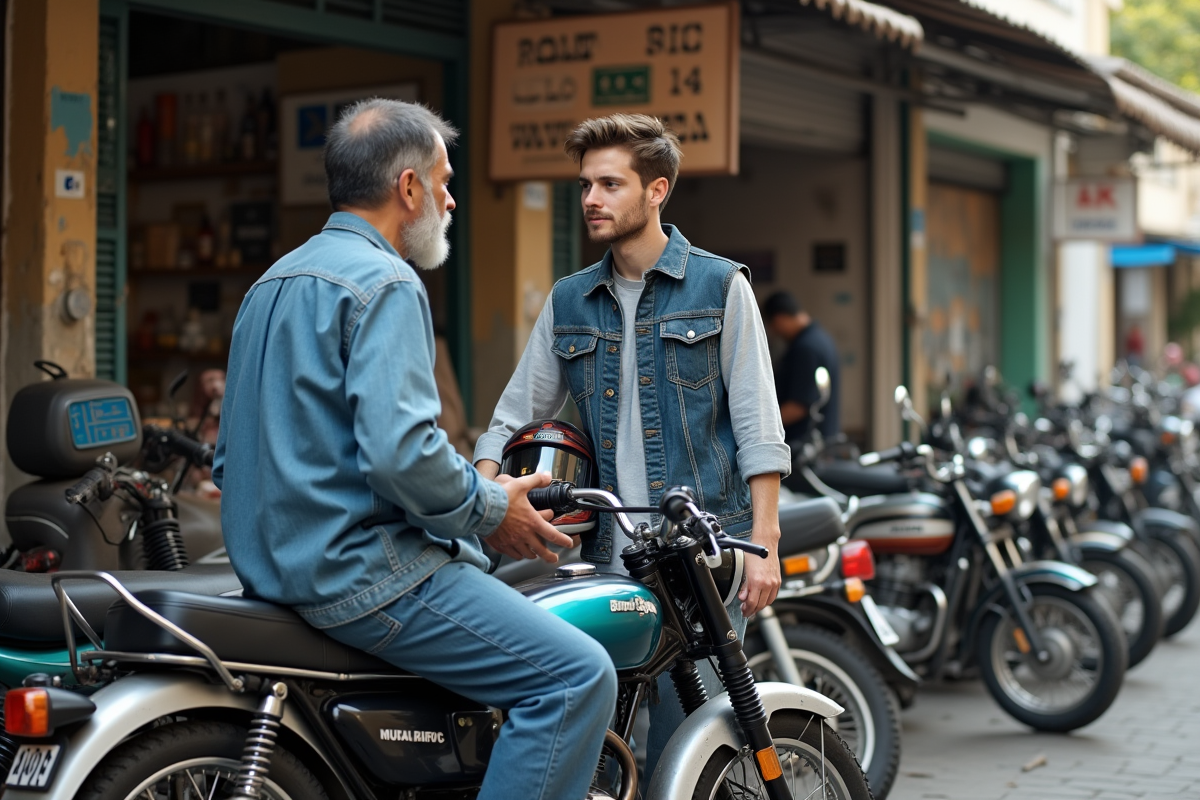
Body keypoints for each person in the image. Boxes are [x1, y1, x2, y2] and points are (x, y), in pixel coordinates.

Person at [213, 99, 616, 800]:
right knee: (578, 676)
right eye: (444, 180)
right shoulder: (387, 283)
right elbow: (402, 457)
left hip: (273, 575)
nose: (452, 199)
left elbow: (229, 458)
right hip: (365, 577)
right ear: (408, 188)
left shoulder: (271, 282)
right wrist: (493, 509)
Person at [473, 113, 789, 780]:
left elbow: (760, 426)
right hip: (608, 562)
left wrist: (766, 546)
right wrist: (487, 491)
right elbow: (511, 417)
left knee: (685, 749)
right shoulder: (570, 301)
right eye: (585, 185)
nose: (591, 199)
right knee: (601, 743)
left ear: (657, 190)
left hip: (703, 559)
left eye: (610, 184)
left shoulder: (719, 286)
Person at [761, 290, 841, 445]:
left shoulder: (806, 348)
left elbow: (798, 406)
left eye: (771, 325)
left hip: (805, 444)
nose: (773, 332)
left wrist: (762, 428)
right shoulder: (821, 338)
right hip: (823, 440)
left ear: (779, 318)